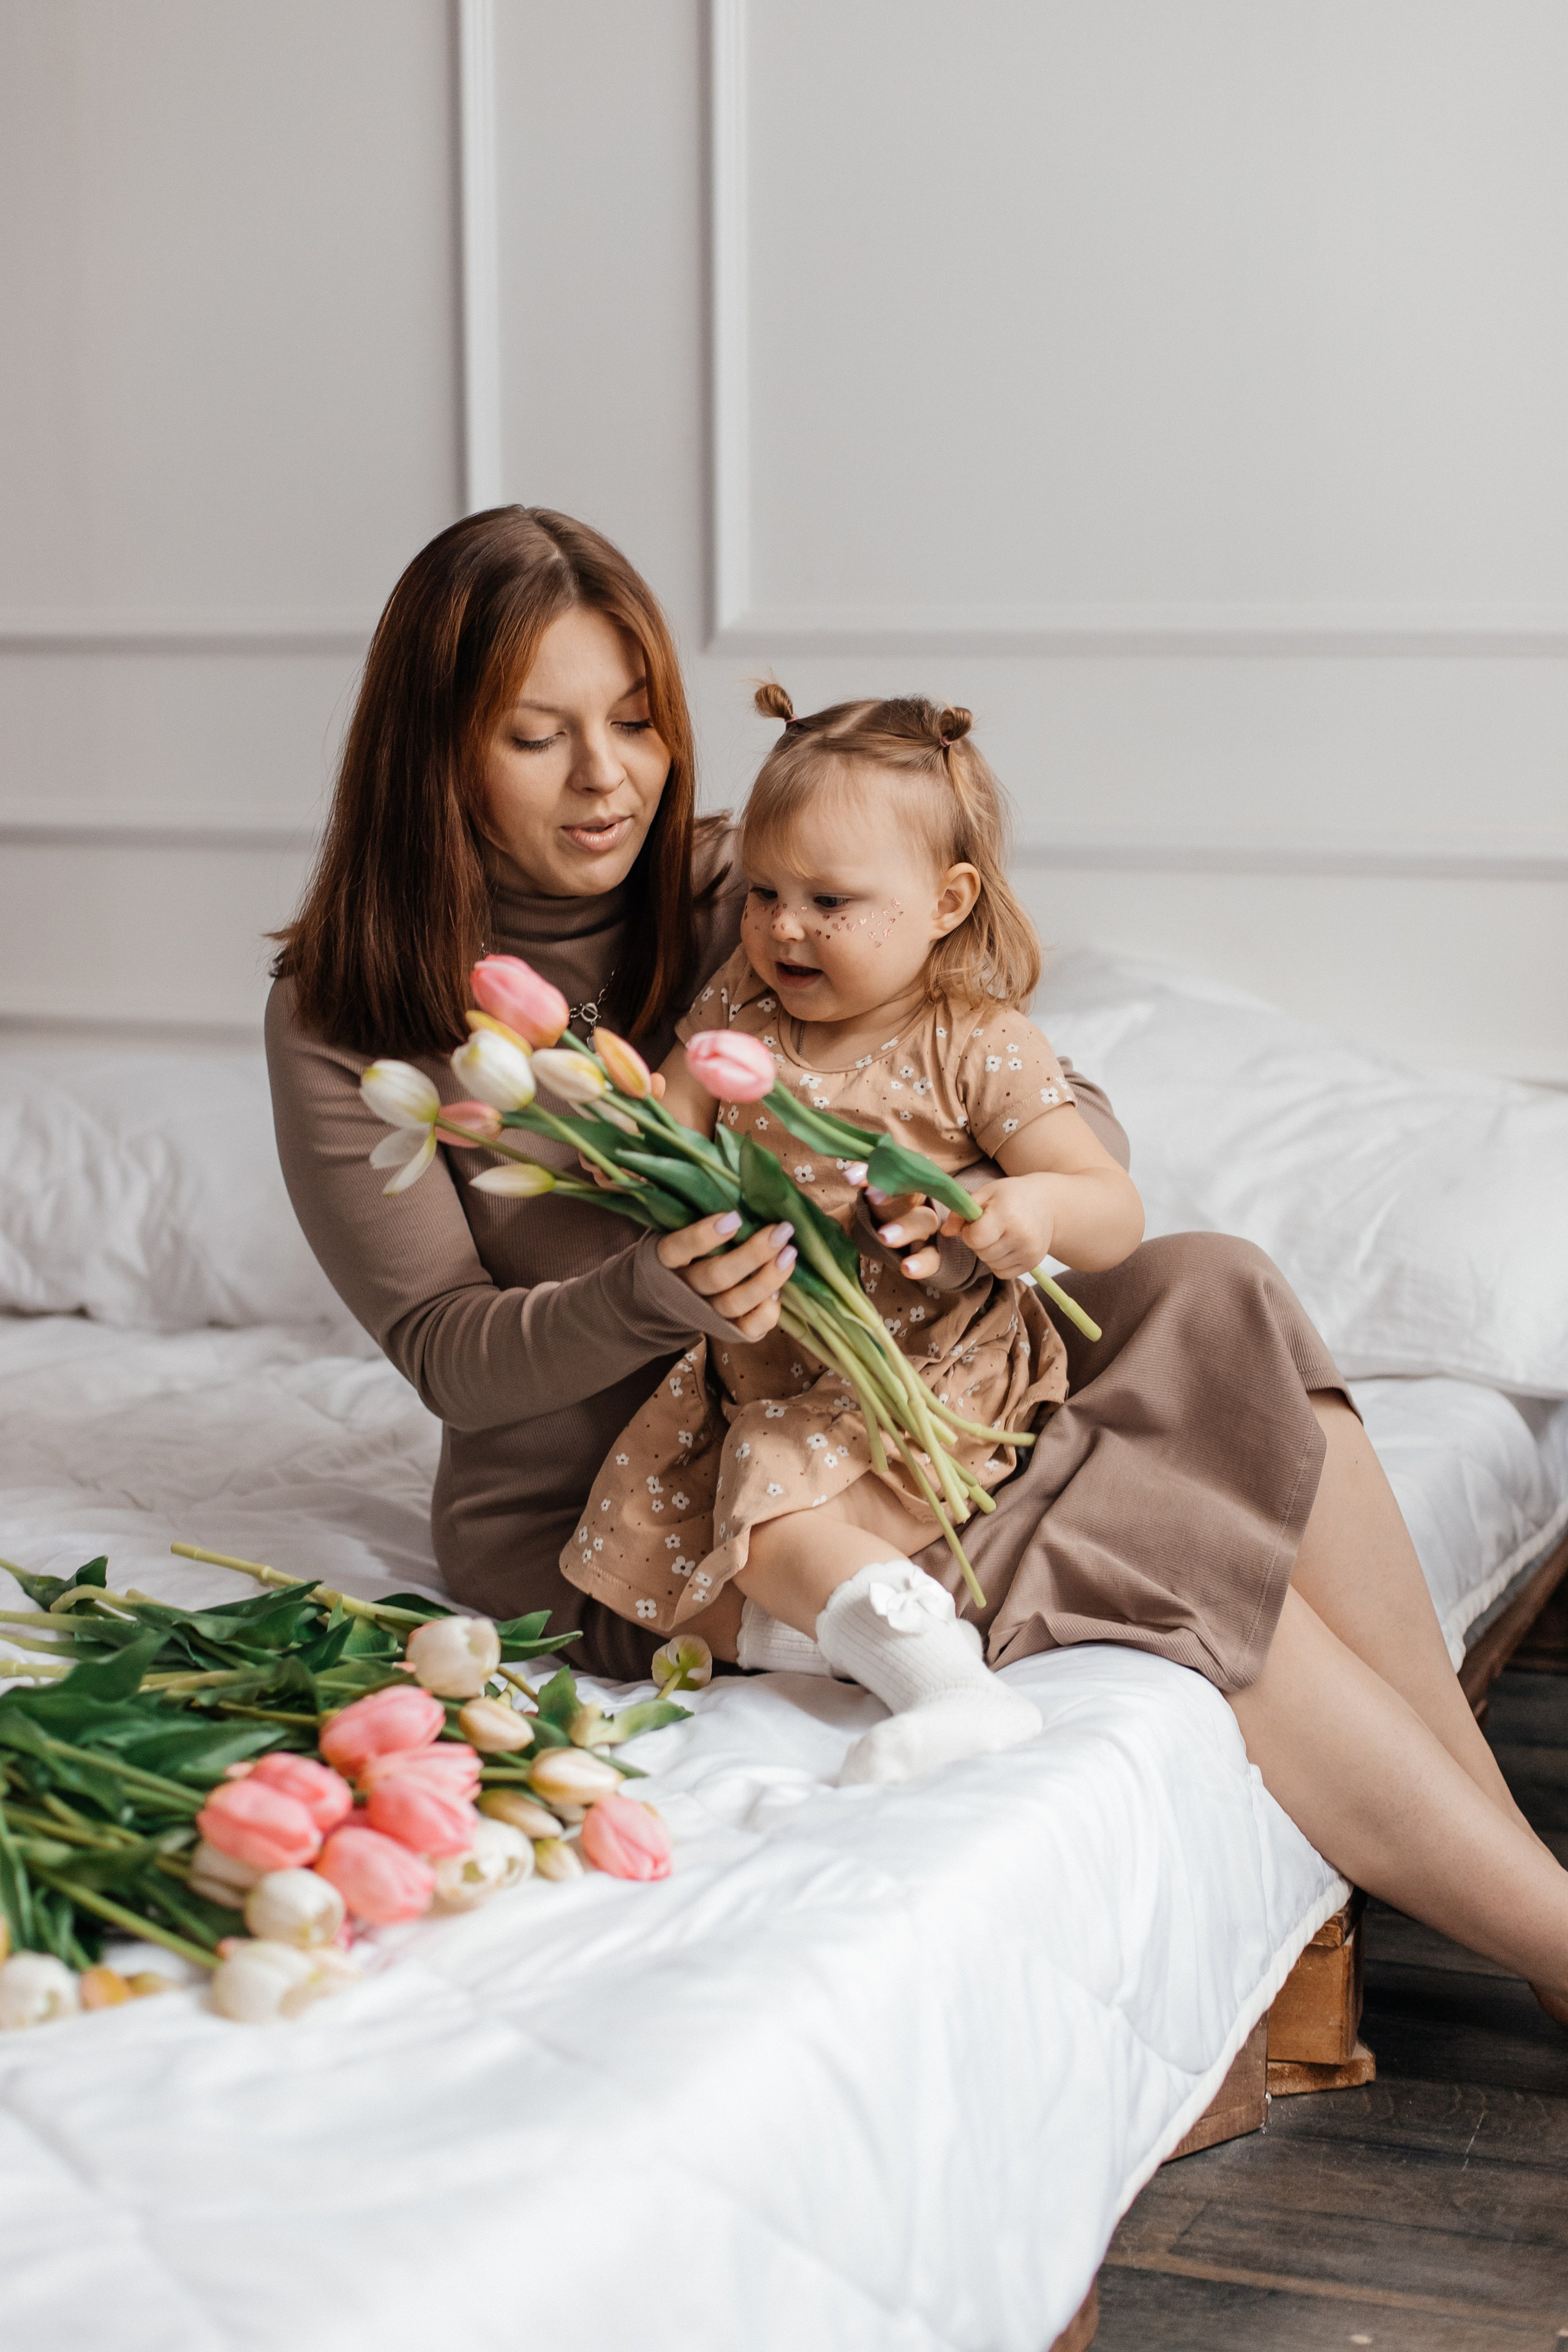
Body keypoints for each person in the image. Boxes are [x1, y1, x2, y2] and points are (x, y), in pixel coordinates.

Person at [266, 506, 1568, 2019]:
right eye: (536, 737)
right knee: (1176, 1546)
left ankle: (1496, 1851)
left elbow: (1003, 1063)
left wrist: (960, 1180)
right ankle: (1551, 1940)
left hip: (892, 1377)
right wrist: (646, 1293)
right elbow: (441, 1348)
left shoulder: (745, 883)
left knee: (1214, 1295)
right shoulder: (347, 1007)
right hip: (639, 1499)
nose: (608, 775)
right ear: (435, 753)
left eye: (634, 719)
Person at [564, 685, 1145, 1784]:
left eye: (830, 900)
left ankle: (956, 1691)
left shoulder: (976, 1045)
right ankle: (890, 1639)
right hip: (769, 1372)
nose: (785, 926)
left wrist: (1033, 1210)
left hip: (922, 1373)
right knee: (674, 1592)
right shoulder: (744, 1010)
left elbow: (1112, 1209)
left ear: (946, 899)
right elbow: (671, 1123)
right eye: (764, 893)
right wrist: (614, 1123)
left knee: (772, 1525)